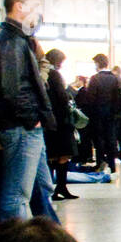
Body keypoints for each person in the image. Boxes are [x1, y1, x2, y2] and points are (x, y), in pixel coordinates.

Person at [0, 0, 55, 221]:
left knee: (40, 188)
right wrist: (32, 119)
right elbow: (11, 89)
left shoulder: (18, 39)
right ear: (19, 7)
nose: (39, 12)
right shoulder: (10, 41)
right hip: (22, 127)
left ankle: (46, 241)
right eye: (36, 5)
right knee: (16, 198)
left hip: (25, 127)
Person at [43, 49, 78, 201]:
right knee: (63, 155)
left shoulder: (43, 75)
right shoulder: (54, 75)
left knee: (51, 156)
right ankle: (60, 187)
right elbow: (62, 97)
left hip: (49, 121)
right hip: (61, 122)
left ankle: (51, 189)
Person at [83, 54, 121, 173]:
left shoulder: (95, 79)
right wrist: (115, 110)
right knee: (111, 139)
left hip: (97, 114)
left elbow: (90, 98)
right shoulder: (115, 79)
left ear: (97, 64)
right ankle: (112, 165)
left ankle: (100, 163)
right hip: (111, 114)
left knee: (98, 139)